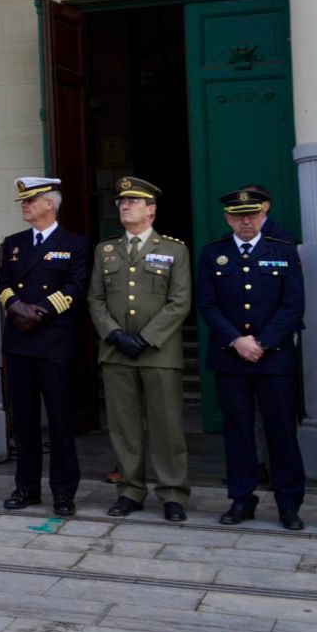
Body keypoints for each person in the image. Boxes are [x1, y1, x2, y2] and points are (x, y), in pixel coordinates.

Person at [196, 189, 306, 529]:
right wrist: (236, 340)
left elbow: (293, 305)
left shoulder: (283, 251)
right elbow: (207, 304)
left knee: (281, 432)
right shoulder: (214, 253)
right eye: (238, 216)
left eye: (252, 215)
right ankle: (242, 499)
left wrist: (262, 342)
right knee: (238, 432)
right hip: (231, 358)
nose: (246, 221)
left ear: (263, 215)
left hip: (273, 359)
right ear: (228, 218)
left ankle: (289, 503)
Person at [88, 177, 192, 521]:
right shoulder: (105, 250)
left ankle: (172, 493)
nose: (125, 206)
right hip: (117, 351)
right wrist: (115, 334)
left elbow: (179, 302)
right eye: (121, 202)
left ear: (152, 210)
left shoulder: (174, 249)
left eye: (133, 201)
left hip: (158, 351)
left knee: (167, 426)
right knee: (124, 427)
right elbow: (96, 298)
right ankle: (130, 490)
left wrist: (146, 338)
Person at [0, 178, 90, 515]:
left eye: (31, 200)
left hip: (53, 342)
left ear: (50, 204)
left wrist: (41, 312)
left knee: (61, 421)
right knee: (23, 421)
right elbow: (3, 282)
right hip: (19, 342)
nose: (24, 204)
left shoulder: (74, 244)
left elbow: (76, 288)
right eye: (23, 200)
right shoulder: (14, 242)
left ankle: (63, 492)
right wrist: (15, 306)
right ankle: (27, 488)